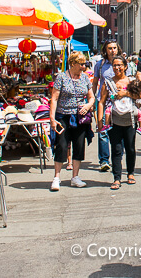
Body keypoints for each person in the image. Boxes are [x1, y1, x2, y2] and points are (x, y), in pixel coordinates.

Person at [49, 51, 96, 191]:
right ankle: (56, 177)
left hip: (80, 117)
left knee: (79, 145)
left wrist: (88, 105)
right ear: (73, 63)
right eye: (81, 64)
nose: (83, 66)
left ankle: (75, 176)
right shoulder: (62, 77)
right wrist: (52, 118)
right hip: (64, 116)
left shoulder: (85, 78)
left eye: (84, 64)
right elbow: (54, 98)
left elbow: (91, 97)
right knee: (62, 144)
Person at [98, 56, 141, 190]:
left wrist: (126, 93)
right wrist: (100, 122)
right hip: (114, 121)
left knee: (130, 148)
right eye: (115, 65)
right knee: (116, 150)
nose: (117, 68)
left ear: (125, 66)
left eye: (120, 65)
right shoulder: (108, 82)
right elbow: (101, 101)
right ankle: (116, 178)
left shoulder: (132, 81)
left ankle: (130, 173)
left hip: (130, 120)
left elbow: (140, 95)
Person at [93, 40, 123, 172]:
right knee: (103, 131)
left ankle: (118, 158)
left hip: (120, 102)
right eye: (109, 48)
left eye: (114, 48)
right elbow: (95, 81)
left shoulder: (122, 64)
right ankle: (104, 160)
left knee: (119, 131)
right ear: (105, 50)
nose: (112, 50)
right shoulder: (100, 65)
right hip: (103, 102)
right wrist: (92, 97)